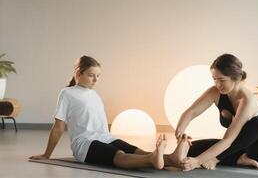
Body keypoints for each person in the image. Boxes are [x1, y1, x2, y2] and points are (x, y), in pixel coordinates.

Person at [30, 55, 190, 170]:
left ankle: (171, 158)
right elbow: (58, 127)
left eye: (98, 76)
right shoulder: (67, 93)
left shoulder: (94, 94)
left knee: (136, 151)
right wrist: (46, 154)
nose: (95, 80)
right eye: (91, 75)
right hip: (85, 144)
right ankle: (154, 159)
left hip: (105, 138)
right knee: (119, 155)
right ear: (78, 74)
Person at [175, 53, 258, 171]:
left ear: (235, 78)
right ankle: (240, 159)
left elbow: (228, 139)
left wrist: (199, 161)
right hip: (239, 148)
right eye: (214, 79)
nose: (217, 84)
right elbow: (191, 112)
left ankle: (221, 159)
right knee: (191, 149)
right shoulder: (215, 92)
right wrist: (180, 131)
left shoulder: (247, 100)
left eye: (222, 80)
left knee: (257, 122)